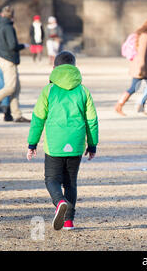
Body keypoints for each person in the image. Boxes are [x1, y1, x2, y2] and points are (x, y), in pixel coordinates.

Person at [26, 51, 99, 231]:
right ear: (74, 67)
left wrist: (32, 143)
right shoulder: (83, 90)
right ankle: (68, 222)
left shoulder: (48, 90)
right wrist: (92, 144)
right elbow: (92, 120)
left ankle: (59, 202)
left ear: (54, 68)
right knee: (71, 182)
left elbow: (37, 119)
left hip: (55, 143)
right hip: (76, 143)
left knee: (51, 179)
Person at [115, 18, 147, 116]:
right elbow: (141, 54)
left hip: (144, 67)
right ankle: (119, 105)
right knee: (134, 87)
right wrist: (141, 68)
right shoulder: (145, 36)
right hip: (143, 67)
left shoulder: (144, 35)